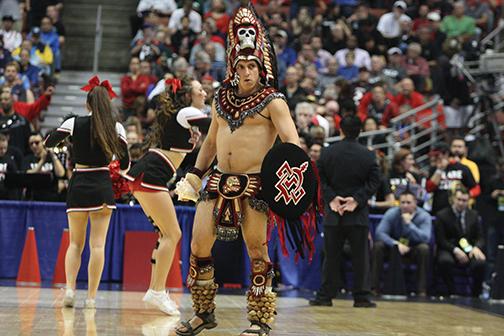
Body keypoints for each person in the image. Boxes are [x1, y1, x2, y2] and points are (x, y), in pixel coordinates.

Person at [175, 4, 304, 336]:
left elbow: (292, 143)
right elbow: (210, 141)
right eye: (241, 66)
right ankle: (204, 313)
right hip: (218, 181)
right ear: (232, 67)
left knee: (257, 251)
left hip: (256, 185)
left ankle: (260, 320)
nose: (246, 72)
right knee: (198, 246)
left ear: (261, 68)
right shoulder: (221, 99)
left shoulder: (274, 101)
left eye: (252, 66)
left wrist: (291, 181)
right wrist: (195, 172)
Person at [124, 76, 209, 315]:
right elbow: (214, 125)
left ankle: (156, 290)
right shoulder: (185, 113)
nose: (204, 93)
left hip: (148, 176)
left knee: (166, 234)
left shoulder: (184, 115)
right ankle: (157, 291)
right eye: (200, 90)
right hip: (151, 175)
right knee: (174, 233)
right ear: (187, 95)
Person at [43, 76, 130, 308]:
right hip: (102, 185)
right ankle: (91, 298)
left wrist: (67, 143)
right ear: (107, 103)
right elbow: (126, 165)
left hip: (79, 184)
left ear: (88, 104)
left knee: (75, 244)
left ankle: (70, 290)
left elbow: (49, 142)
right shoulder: (117, 127)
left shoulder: (74, 122)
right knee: (98, 245)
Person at [309, 115, 380, 308]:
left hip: (333, 212)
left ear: (340, 130)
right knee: (360, 258)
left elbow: (319, 178)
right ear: (360, 131)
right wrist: (356, 199)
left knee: (331, 257)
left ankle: (325, 296)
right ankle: (361, 297)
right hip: (357, 214)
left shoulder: (327, 152)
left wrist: (332, 198)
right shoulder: (368, 154)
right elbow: (374, 181)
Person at [372, 190, 432, 296]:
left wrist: (409, 224)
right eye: (402, 202)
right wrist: (395, 244)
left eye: (408, 203)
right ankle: (374, 288)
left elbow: (425, 238)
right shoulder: (392, 213)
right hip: (394, 248)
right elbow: (380, 233)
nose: (405, 205)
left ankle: (421, 291)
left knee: (424, 249)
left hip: (413, 248)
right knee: (378, 246)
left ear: (415, 203)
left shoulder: (424, 216)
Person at [435, 187, 486, 297]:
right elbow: (441, 240)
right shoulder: (442, 215)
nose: (461, 203)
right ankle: (452, 292)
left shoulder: (474, 215)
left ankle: (475, 295)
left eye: (464, 200)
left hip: (469, 248)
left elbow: (480, 238)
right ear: (453, 199)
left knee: (480, 263)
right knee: (444, 261)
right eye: (459, 199)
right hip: (449, 248)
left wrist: (476, 248)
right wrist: (455, 250)